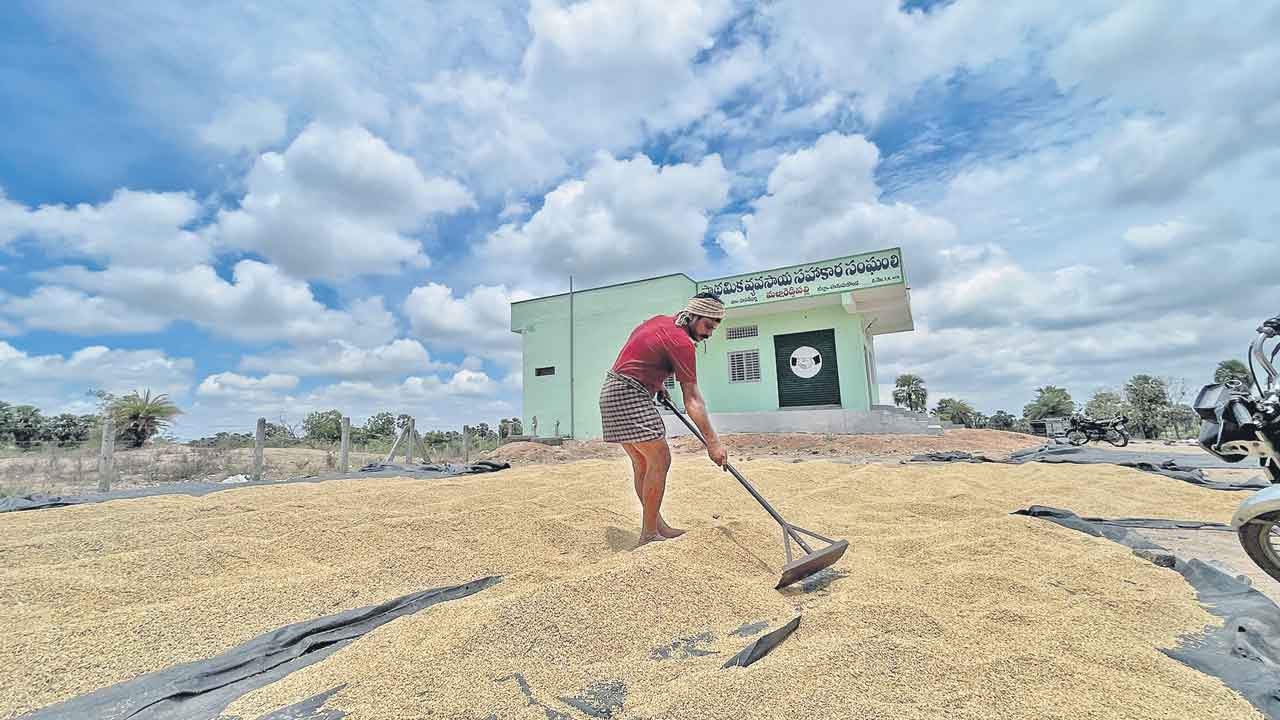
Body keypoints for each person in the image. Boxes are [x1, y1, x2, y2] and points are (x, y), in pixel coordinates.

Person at [598, 291, 728, 547]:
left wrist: (655, 383)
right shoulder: (681, 342)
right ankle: (648, 534)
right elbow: (692, 398)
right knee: (659, 457)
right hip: (628, 394)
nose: (709, 333)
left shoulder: (660, 321)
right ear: (693, 315)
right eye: (707, 326)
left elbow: (642, 353)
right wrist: (713, 443)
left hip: (612, 391)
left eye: (713, 328)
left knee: (643, 463)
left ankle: (657, 527)